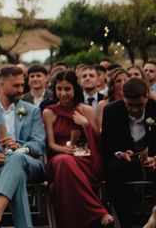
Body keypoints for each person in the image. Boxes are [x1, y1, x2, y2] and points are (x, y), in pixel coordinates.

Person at [0, 66, 46, 228]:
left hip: (30, 163)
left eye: (22, 85)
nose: (21, 89)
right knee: (17, 176)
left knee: (17, 158)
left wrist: (19, 147)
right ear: (1, 85)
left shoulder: (32, 110)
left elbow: (39, 143)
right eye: (16, 86)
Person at [42, 70, 113, 227]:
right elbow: (51, 144)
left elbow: (98, 141)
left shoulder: (86, 110)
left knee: (67, 166)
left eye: (67, 89)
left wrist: (85, 124)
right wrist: (64, 150)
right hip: (59, 157)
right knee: (64, 162)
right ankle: (98, 211)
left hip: (85, 158)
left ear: (75, 89)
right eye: (59, 89)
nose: (63, 93)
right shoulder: (49, 112)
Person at [102, 77, 156, 226]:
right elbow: (107, 144)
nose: (134, 109)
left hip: (152, 161)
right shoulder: (111, 111)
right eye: (129, 105)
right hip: (124, 163)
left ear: (147, 96)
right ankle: (127, 222)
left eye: (139, 105)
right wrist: (120, 153)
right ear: (123, 98)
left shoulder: (155, 108)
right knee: (112, 169)